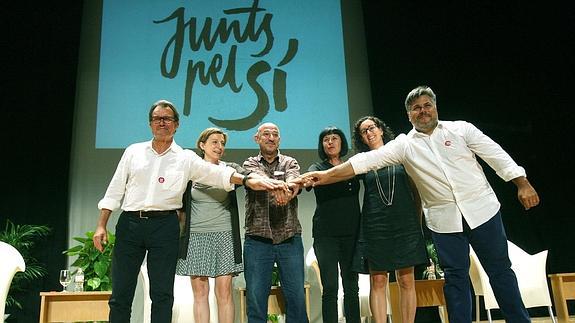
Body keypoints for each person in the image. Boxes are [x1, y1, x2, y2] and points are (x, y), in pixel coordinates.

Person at [299, 86, 540, 323]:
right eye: (416, 108)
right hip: (444, 221)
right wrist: (325, 176)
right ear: (409, 115)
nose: (423, 111)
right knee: (455, 278)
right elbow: (364, 162)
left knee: (500, 272)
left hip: (483, 211)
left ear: (435, 107)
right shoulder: (405, 145)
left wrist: (522, 183)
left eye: (427, 105)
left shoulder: (461, 129)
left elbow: (495, 154)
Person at [92, 100, 282, 323]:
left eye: (167, 119)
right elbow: (114, 190)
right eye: (157, 119)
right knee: (121, 294)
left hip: (164, 227)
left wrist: (248, 180)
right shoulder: (133, 152)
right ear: (150, 123)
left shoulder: (185, 157)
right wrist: (101, 224)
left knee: (162, 294)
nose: (162, 123)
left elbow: (216, 174)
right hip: (130, 225)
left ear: (177, 125)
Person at [352, 116, 427, 323]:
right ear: (362, 139)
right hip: (375, 224)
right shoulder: (362, 161)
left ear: (381, 130)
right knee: (378, 280)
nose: (369, 132)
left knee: (406, 279)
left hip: (405, 223)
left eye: (372, 127)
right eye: (364, 131)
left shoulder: (400, 153)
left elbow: (416, 192)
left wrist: (417, 222)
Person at [176, 127, 249, 323]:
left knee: (224, 292)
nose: (219, 146)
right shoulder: (191, 170)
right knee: (200, 293)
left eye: (222, 143)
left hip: (224, 235)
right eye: (214, 142)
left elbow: (249, 177)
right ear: (202, 145)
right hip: (196, 236)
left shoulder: (230, 169)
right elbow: (180, 209)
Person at [242, 122, 308, 323]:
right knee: (255, 297)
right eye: (266, 134)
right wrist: (280, 188)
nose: (271, 138)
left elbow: (295, 180)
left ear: (279, 139)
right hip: (257, 239)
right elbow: (258, 178)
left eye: (275, 134)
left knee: (296, 296)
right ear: (257, 139)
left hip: (289, 237)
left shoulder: (290, 162)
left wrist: (289, 190)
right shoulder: (249, 163)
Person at [307, 126, 361, 323]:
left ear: (342, 142)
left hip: (352, 232)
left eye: (334, 138)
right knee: (330, 287)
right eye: (326, 139)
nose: (330, 142)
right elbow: (314, 181)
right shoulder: (316, 168)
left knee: (351, 286)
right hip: (325, 235)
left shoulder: (353, 165)